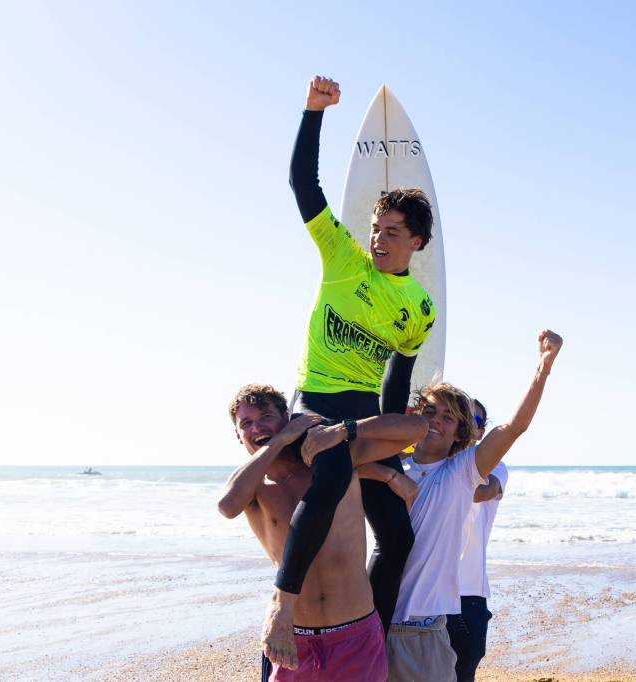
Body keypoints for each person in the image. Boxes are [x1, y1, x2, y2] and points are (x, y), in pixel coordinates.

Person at [262, 74, 439, 661]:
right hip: (317, 401)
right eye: (375, 229)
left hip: (362, 412)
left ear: (416, 242)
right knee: (334, 473)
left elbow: (396, 379)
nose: (378, 239)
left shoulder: (419, 308)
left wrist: (387, 444)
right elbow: (302, 183)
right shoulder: (343, 257)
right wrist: (314, 111)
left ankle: (371, 636)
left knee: (397, 535)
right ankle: (282, 606)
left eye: (392, 233)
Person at [380, 330, 563, 682]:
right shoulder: (389, 465)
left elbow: (513, 428)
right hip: (371, 623)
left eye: (447, 417)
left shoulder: (459, 473)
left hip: (422, 632)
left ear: (460, 432)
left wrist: (543, 367)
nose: (436, 420)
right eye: (430, 411)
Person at [218, 384, 425, 680]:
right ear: (237, 435)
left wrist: (345, 430)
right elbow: (226, 506)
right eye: (246, 423)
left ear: (287, 417)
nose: (257, 427)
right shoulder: (254, 487)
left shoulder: (333, 461)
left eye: (266, 417)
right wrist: (279, 441)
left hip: (355, 633)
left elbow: (415, 429)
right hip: (292, 640)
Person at [445, 398, 508, 681]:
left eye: (475, 421)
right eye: (461, 417)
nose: (468, 425)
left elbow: (481, 492)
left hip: (468, 595)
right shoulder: (429, 465)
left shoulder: (498, 468)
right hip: (424, 592)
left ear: (482, 432)